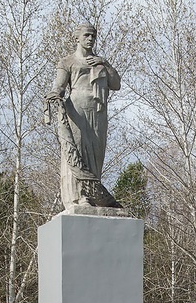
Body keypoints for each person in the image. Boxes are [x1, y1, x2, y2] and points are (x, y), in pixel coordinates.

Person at [45, 23, 122, 208]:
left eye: (93, 36)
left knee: (95, 154)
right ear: (77, 37)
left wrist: (104, 62)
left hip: (98, 112)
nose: (90, 39)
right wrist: (54, 95)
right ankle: (78, 197)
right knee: (77, 151)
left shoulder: (99, 61)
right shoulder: (67, 61)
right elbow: (60, 86)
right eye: (87, 35)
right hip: (77, 110)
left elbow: (116, 84)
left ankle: (94, 195)